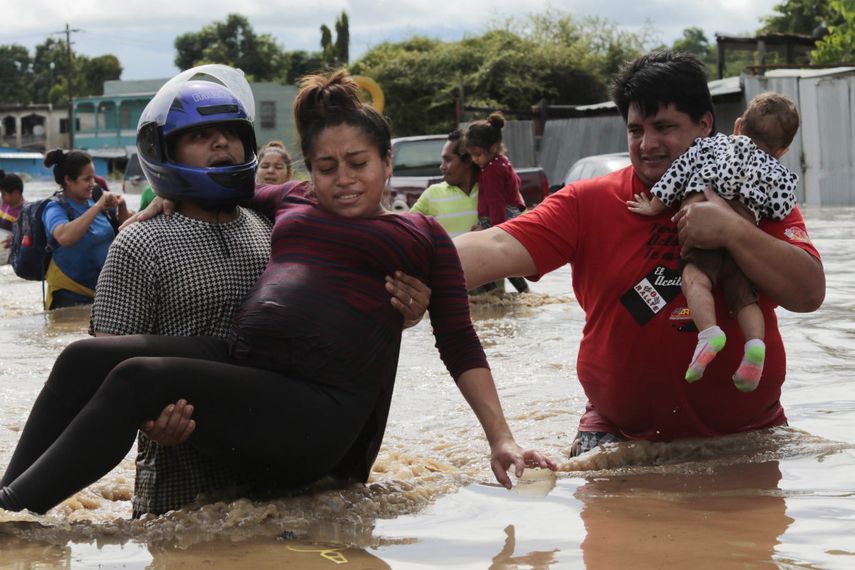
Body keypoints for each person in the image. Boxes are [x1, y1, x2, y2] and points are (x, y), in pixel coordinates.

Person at [0, 67, 553, 514]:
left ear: (389, 163)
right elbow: (217, 189)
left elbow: (459, 342)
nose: (345, 179)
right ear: (308, 173)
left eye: (360, 163)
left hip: (318, 405)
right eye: (327, 167)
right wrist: (159, 196)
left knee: (136, 377)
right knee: (81, 356)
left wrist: (500, 438)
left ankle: (17, 511)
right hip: (249, 367)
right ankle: (7, 498)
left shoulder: (419, 235)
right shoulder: (286, 204)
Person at [91, 65, 431, 517]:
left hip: (287, 475)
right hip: (183, 483)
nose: (221, 144)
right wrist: (150, 421)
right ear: (164, 151)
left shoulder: (276, 229)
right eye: (201, 135)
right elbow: (107, 366)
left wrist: (406, 309)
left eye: (231, 133)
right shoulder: (139, 242)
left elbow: (340, 325)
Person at [453, 50, 825, 457]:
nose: (647, 144)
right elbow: (498, 244)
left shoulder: (755, 198)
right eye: (635, 130)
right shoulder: (588, 201)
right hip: (617, 440)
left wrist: (734, 231)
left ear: (705, 125)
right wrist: (412, 261)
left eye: (664, 127)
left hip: (751, 436)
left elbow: (808, 294)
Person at [627, 92, 800, 392]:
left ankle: (709, 333)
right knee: (745, 300)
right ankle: (755, 346)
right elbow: (781, 209)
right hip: (743, 238)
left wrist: (654, 206)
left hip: (702, 224)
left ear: (738, 126)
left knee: (694, 279)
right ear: (783, 149)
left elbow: (677, 174)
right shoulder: (780, 174)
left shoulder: (712, 146)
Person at [41, 150, 130, 309]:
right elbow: (64, 237)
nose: (93, 184)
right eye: (87, 179)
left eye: (93, 178)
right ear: (69, 180)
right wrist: (97, 206)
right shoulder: (54, 208)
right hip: (68, 295)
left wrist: (122, 205)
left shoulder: (95, 197)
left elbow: (127, 229)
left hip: (103, 293)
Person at [464, 112, 529, 294]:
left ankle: (493, 295)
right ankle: (524, 293)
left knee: (482, 261)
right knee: (504, 264)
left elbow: (496, 202)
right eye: (472, 155)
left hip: (498, 219)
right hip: (505, 217)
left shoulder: (492, 171)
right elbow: (516, 185)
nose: (475, 160)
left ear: (492, 148)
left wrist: (494, 231)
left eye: (477, 155)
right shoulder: (502, 163)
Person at [410, 130, 479, 238]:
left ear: (467, 161)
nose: (442, 167)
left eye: (448, 160)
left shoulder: (492, 190)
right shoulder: (432, 194)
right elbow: (406, 230)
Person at [0, 171, 25, 262]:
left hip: (10, 255)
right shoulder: (4, 204)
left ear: (15, 193)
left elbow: (28, 235)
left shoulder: (25, 212)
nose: (2, 197)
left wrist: (14, 239)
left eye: (4, 194)